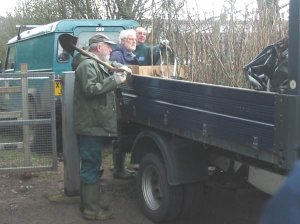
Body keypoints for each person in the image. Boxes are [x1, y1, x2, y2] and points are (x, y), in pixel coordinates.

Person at [73, 33, 131, 220]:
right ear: (99, 48)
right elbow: (91, 89)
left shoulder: (95, 62)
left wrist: (117, 67)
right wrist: (115, 80)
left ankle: (89, 204)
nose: (111, 50)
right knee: (91, 165)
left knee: (92, 164)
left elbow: (106, 68)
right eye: (108, 46)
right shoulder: (87, 65)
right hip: (90, 124)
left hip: (94, 123)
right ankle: (91, 210)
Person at [109, 29, 138, 180]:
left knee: (125, 133)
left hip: (127, 100)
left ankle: (120, 167)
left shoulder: (131, 54)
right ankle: (118, 169)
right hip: (119, 101)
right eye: (130, 39)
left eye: (134, 39)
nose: (134, 41)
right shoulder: (117, 55)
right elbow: (118, 75)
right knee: (122, 135)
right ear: (123, 41)